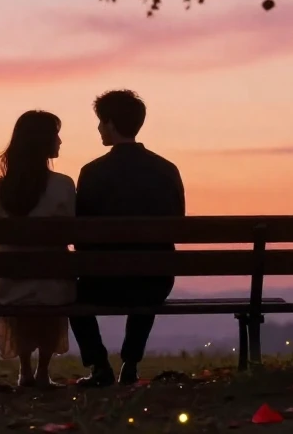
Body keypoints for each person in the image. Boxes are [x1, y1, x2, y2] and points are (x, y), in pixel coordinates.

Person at [69, 90, 185, 387]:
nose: (98, 128)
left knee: (72, 296)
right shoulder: (166, 169)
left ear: (110, 123)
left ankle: (99, 365)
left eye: (100, 122)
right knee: (149, 269)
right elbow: (177, 226)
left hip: (102, 282)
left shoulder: (92, 172)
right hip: (155, 281)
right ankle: (130, 364)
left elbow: (81, 235)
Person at [0, 110, 77, 389]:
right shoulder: (63, 184)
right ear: (42, 142)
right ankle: (42, 371)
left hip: (9, 286)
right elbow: (71, 230)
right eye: (56, 135)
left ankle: (26, 371)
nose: (60, 141)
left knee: (19, 281)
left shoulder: (1, 188)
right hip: (53, 285)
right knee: (51, 280)